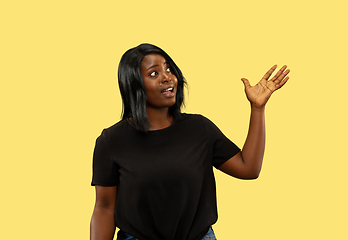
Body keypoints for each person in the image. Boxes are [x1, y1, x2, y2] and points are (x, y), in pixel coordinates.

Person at [90, 43, 290, 240]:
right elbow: (104, 208)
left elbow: (248, 169)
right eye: (154, 73)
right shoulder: (112, 141)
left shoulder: (199, 129)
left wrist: (257, 109)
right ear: (134, 84)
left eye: (169, 69)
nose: (167, 77)